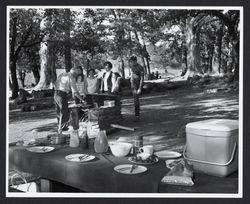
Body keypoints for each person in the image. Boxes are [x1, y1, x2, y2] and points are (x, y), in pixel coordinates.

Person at [54, 68, 86, 133]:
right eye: (76, 75)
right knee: (64, 112)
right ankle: (63, 129)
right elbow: (75, 92)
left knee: (58, 112)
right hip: (62, 95)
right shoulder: (71, 78)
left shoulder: (62, 74)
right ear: (74, 74)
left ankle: (59, 127)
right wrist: (82, 100)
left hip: (56, 93)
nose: (76, 76)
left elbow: (56, 83)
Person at [128, 56, 144, 120]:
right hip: (131, 83)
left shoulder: (140, 67)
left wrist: (140, 88)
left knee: (136, 100)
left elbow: (142, 78)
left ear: (135, 61)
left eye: (132, 61)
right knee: (120, 79)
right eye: (131, 61)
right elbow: (133, 74)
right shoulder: (131, 67)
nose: (131, 62)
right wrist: (129, 76)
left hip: (136, 85)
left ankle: (137, 116)